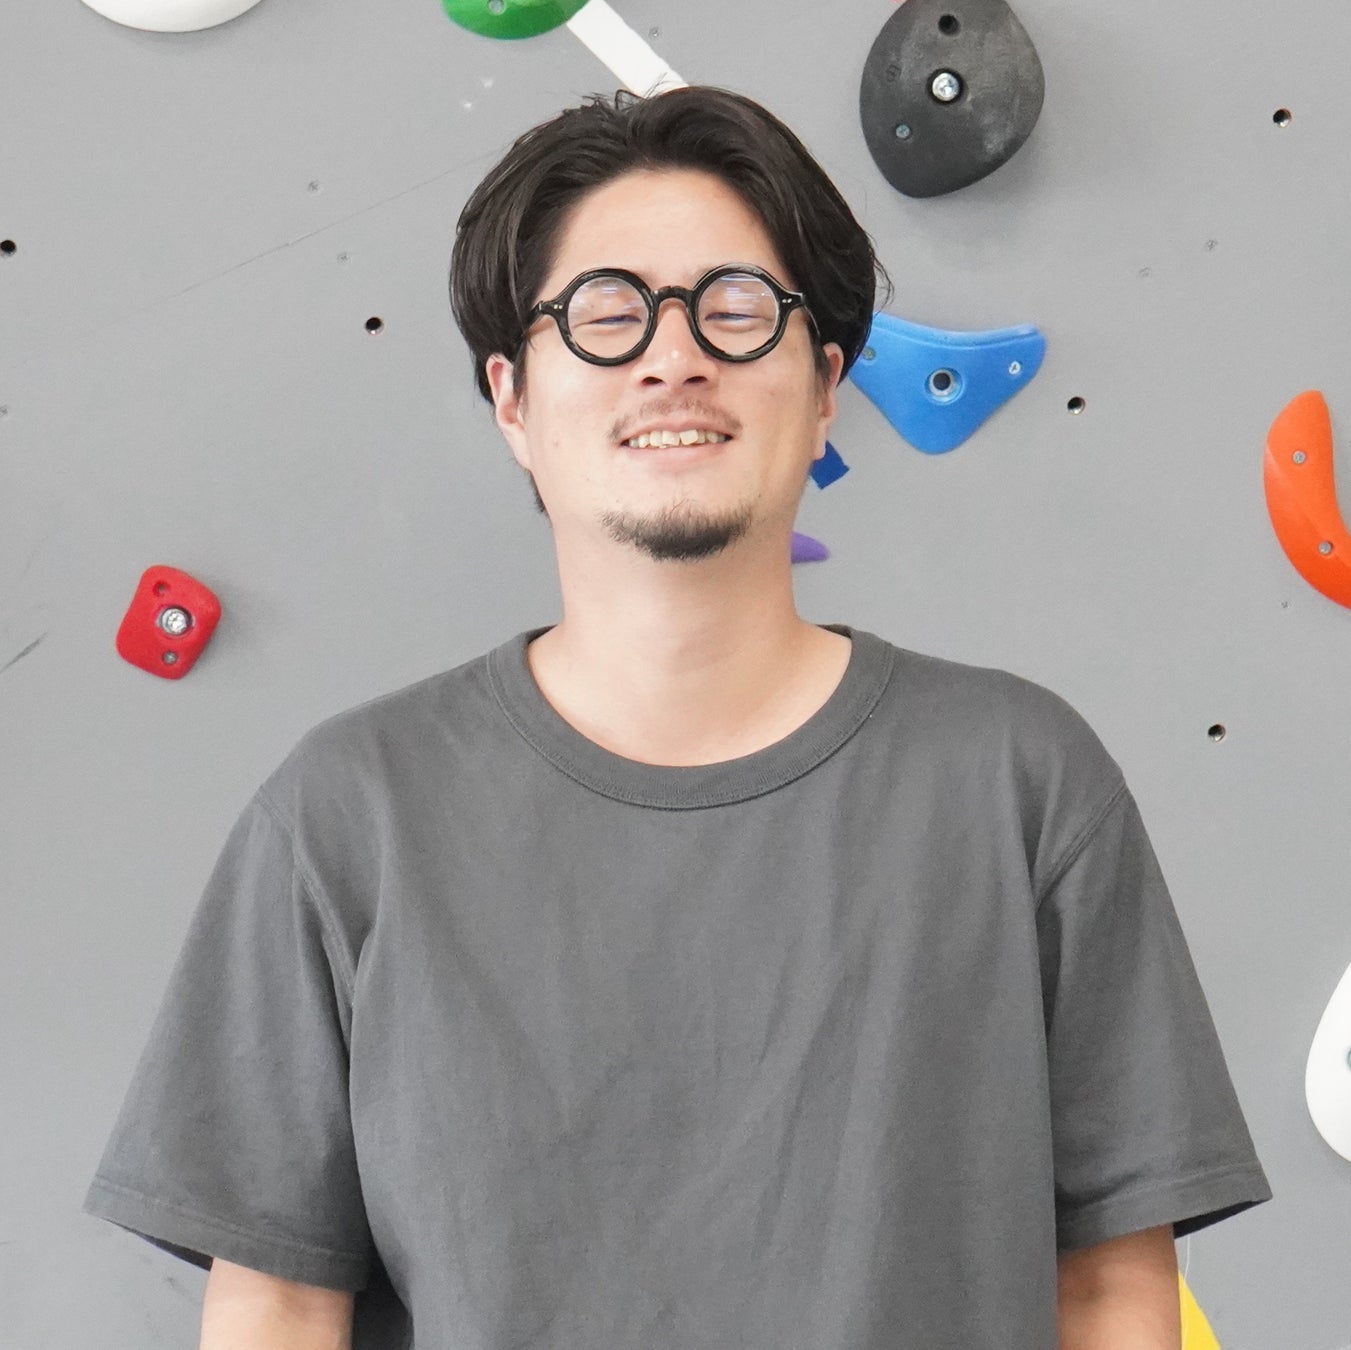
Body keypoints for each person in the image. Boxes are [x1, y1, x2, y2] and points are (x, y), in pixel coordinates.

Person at [84, 85, 1271, 1349]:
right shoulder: (346, 817)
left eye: (736, 309)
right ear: (511, 400)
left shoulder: (1019, 781)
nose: (672, 358)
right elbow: (274, 1303)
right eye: (606, 314)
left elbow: (1109, 1289)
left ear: (824, 388)